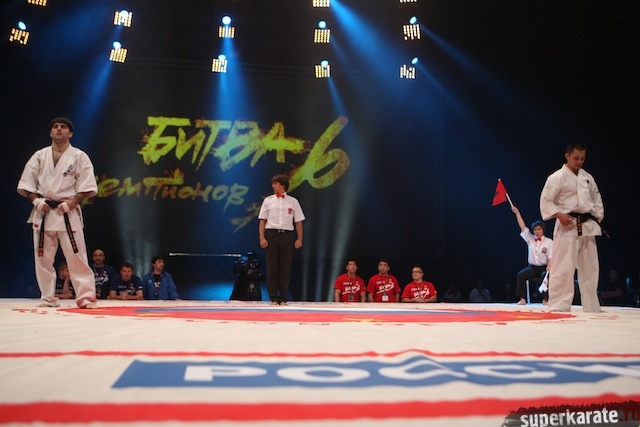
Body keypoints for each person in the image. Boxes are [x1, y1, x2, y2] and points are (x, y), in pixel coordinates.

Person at [17, 117, 98, 309]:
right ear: (50, 132)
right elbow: (27, 183)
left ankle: (85, 297)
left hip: (67, 212)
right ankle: (48, 297)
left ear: (70, 133)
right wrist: (35, 200)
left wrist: (72, 202)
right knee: (42, 259)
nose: (59, 129)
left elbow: (87, 186)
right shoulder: (39, 156)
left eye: (63, 127)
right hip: (43, 211)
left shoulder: (79, 156)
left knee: (77, 257)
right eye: (55, 126)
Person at [540, 139, 604, 313]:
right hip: (567, 225)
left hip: (587, 226)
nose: (579, 161)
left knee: (591, 268)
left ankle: (591, 306)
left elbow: (596, 200)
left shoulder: (587, 178)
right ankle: (559, 305)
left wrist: (596, 217)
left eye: (582, 158)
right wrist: (559, 214)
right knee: (563, 266)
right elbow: (546, 200)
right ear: (567, 156)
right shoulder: (557, 177)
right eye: (576, 158)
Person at [258, 174, 305, 306]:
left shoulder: (293, 202)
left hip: (287, 235)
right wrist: (262, 237)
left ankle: (283, 297)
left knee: (285, 267)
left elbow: (298, 222)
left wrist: (299, 238)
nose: (273, 186)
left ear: (282, 185)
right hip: (271, 234)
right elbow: (262, 221)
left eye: (275, 183)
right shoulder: (268, 200)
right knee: (272, 267)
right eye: (273, 183)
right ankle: (273, 297)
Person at [511, 206, 553, 305]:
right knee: (520, 275)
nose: (537, 231)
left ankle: (545, 299)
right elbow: (522, 227)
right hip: (533, 268)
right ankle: (522, 299)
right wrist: (517, 213)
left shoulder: (549, 242)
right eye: (535, 230)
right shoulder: (530, 239)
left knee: (544, 276)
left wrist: (549, 266)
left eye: (539, 229)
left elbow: (551, 257)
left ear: (543, 230)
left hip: (544, 268)